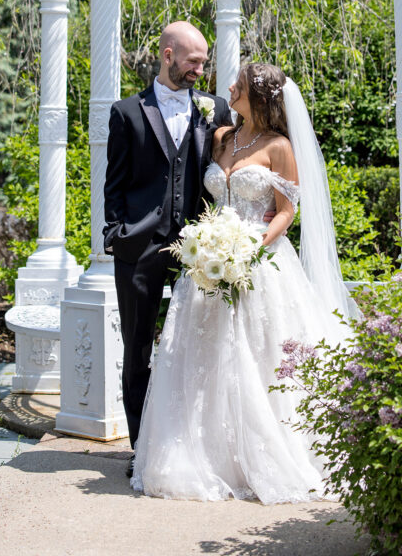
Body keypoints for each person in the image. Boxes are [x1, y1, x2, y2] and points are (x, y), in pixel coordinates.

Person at [131, 62, 358, 503]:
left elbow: (287, 211)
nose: (228, 86)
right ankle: (205, 456)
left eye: (238, 83)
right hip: (209, 265)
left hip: (260, 263)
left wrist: (251, 247)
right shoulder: (221, 138)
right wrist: (210, 245)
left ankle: (260, 455)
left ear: (259, 95)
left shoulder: (280, 147)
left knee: (258, 358)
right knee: (201, 358)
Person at [102, 21, 233, 472]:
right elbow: (113, 183)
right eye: (193, 60)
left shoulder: (215, 109)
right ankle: (144, 449)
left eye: (204, 61)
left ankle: (196, 444)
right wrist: (115, 233)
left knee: (199, 344)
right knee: (138, 347)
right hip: (139, 246)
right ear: (167, 54)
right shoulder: (127, 112)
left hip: (202, 249)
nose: (201, 68)